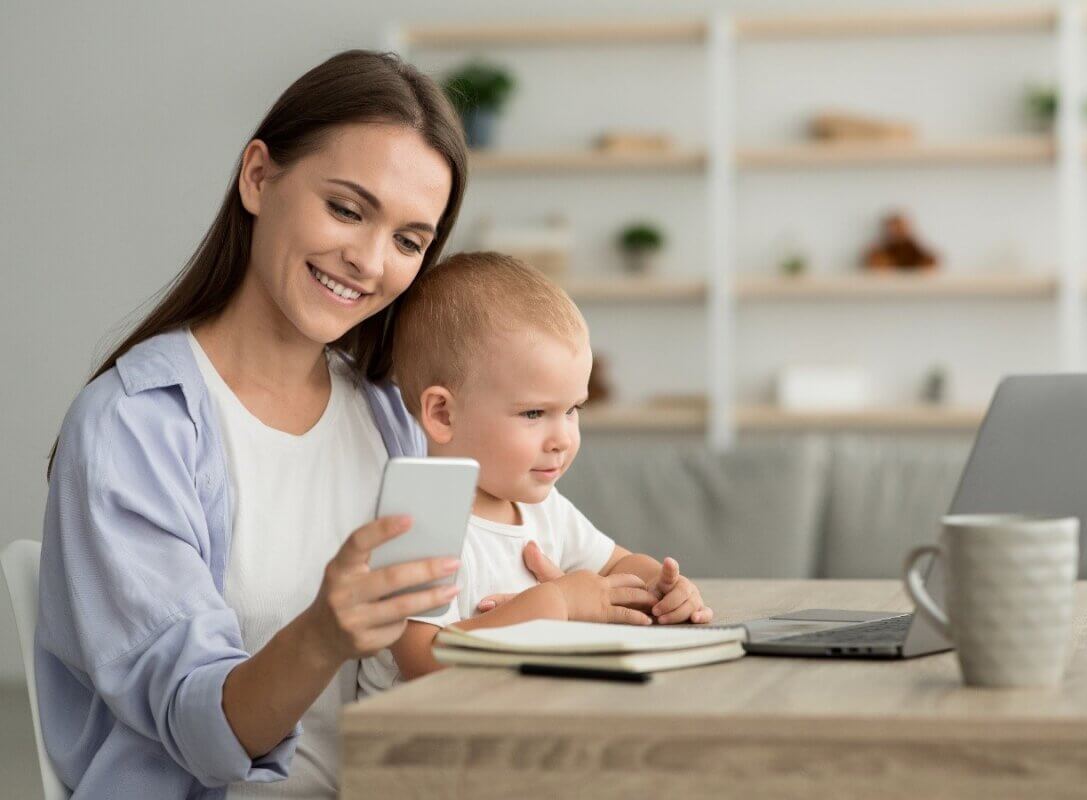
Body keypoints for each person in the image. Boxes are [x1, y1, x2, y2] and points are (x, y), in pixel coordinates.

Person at [38, 50, 470, 798]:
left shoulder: (390, 416)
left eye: (408, 240)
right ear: (259, 178)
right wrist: (322, 634)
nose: (369, 261)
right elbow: (197, 726)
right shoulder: (135, 426)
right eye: (346, 208)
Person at [361, 251, 714, 685]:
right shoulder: (414, 520)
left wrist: (659, 589)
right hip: (414, 747)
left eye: (572, 410)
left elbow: (614, 566)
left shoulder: (543, 508)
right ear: (443, 415)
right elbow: (423, 658)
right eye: (533, 414)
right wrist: (558, 604)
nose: (562, 438)